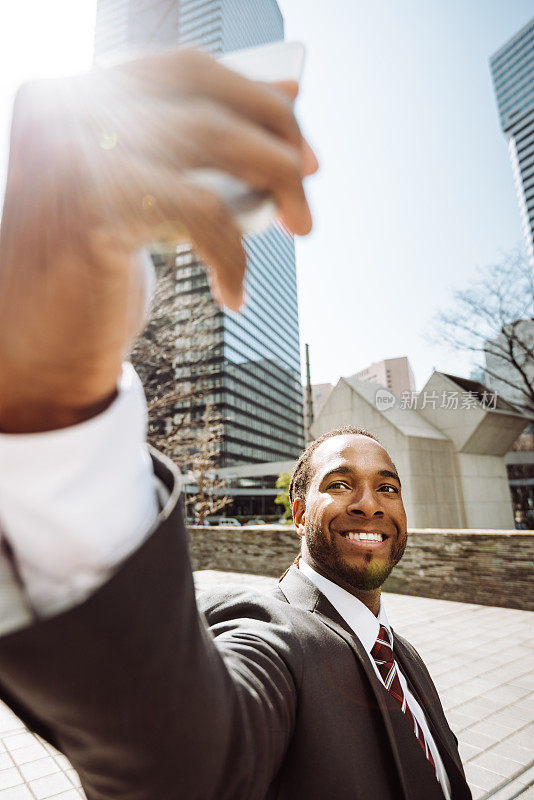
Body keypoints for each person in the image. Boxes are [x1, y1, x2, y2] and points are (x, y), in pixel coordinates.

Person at [0, 49, 471, 800]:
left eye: (386, 486)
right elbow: (180, 765)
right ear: (295, 508)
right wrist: (51, 404)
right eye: (339, 483)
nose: (369, 503)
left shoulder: (403, 654)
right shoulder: (271, 635)